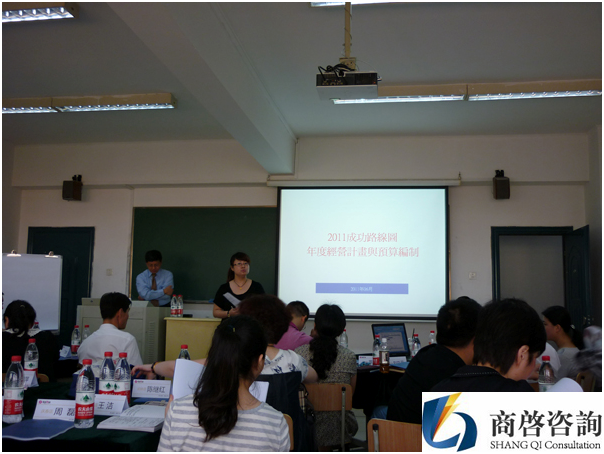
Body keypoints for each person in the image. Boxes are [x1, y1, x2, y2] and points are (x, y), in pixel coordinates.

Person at [157, 315, 290, 451]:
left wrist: (171, 419)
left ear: (214, 357)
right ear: (260, 361)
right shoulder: (276, 424)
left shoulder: (177, 411)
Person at [133, 294, 318, 384]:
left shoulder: (234, 358)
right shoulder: (294, 361)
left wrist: (153, 366)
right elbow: (314, 376)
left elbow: (182, 368)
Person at [386, 296, 482, 424]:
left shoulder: (423, 356)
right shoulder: (460, 378)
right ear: (477, 338)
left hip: (391, 433)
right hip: (421, 436)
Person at [433, 298, 546, 392]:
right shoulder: (519, 395)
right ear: (522, 354)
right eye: (535, 358)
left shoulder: (439, 391)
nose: (533, 366)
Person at [295, 304, 358, 447]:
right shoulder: (349, 357)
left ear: (315, 325)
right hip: (340, 427)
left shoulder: (299, 353)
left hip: (307, 425)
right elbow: (350, 395)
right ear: (341, 329)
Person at [78, 292, 143, 367]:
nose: (128, 316)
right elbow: (137, 371)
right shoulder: (128, 340)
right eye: (127, 312)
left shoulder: (85, 344)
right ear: (120, 313)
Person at [2, 300, 59, 381]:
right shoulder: (47, 338)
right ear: (32, 323)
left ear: (6, 320)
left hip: (7, 387)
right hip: (42, 387)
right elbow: (55, 359)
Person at [212, 252, 265, 319]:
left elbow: (264, 309)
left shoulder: (257, 287)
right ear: (232, 268)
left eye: (246, 263)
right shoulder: (224, 288)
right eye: (239, 264)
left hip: (250, 324)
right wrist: (229, 313)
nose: (243, 266)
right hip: (230, 324)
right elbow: (215, 312)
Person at [542, 305, 583, 379]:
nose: (543, 328)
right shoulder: (571, 350)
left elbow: (551, 382)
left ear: (557, 328)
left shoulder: (564, 356)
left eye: (545, 324)